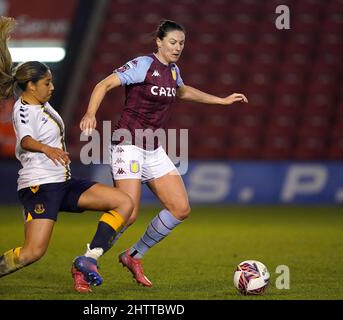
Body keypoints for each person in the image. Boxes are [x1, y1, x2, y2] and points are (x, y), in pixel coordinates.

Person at [0, 16, 134, 296]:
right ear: (30, 86)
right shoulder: (23, 109)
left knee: (123, 202)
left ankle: (87, 260)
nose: (52, 87)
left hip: (61, 181)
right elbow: (26, 140)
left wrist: (60, 149)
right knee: (32, 252)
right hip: (39, 186)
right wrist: (47, 149)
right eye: (47, 83)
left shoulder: (42, 105)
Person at [80, 20, 248, 287]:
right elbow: (103, 85)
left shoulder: (172, 71)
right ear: (158, 42)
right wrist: (90, 113)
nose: (178, 47)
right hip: (128, 144)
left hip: (153, 148)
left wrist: (221, 100)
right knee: (129, 212)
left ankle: (133, 255)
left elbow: (182, 91)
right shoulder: (142, 65)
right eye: (173, 42)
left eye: (181, 43)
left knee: (180, 208)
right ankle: (88, 260)